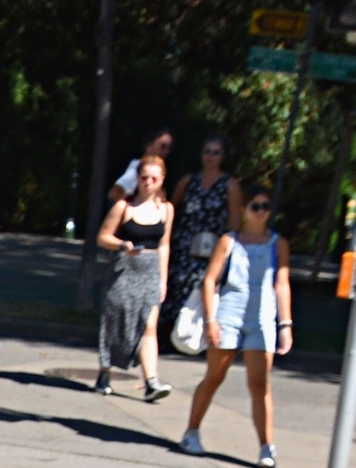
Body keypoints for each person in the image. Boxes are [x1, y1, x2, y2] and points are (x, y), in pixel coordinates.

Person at [180, 185, 293, 468]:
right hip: (228, 314)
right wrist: (211, 320)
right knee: (214, 376)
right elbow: (210, 280)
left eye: (265, 207)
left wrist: (286, 325)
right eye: (255, 206)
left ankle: (266, 448)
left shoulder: (277, 244)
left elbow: (282, 284)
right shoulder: (229, 241)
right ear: (244, 210)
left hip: (262, 319)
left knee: (259, 385)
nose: (260, 212)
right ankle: (191, 431)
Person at [95, 154, 172, 399]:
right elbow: (103, 237)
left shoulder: (166, 209)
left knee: (149, 326)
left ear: (161, 180)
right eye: (144, 177)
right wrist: (122, 245)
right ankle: (105, 372)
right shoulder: (124, 206)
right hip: (124, 271)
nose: (148, 182)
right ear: (137, 179)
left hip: (150, 271)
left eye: (153, 178)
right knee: (116, 323)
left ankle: (151, 382)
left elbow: (164, 245)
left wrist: (163, 279)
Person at [167, 135, 244, 336]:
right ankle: (172, 333)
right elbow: (172, 208)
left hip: (212, 247)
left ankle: (196, 334)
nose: (211, 157)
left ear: (222, 157)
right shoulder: (188, 180)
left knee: (203, 288)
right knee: (178, 285)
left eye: (215, 152)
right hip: (185, 244)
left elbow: (235, 219)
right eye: (207, 152)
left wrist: (234, 249)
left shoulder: (229, 185)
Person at [108, 127, 175, 205]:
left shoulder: (158, 170)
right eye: (163, 146)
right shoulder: (137, 167)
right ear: (148, 145)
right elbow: (114, 195)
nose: (166, 151)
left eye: (169, 149)